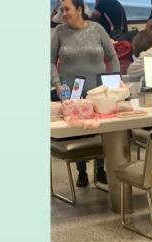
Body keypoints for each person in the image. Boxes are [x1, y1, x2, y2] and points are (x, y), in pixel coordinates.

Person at [51, 0, 120, 187]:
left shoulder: (97, 29)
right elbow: (49, 61)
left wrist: (112, 83)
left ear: (79, 9)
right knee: (78, 130)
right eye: (61, 10)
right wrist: (57, 84)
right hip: (71, 94)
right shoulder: (59, 32)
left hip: (98, 92)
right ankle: (81, 171)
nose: (63, 13)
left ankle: (100, 169)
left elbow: (112, 56)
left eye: (67, 9)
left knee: (101, 131)